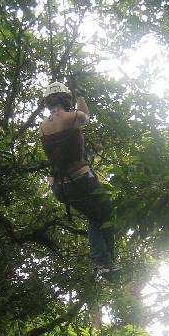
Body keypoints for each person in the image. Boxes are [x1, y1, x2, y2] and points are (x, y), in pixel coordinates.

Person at [40, 82, 119, 282]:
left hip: (59, 187)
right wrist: (81, 98)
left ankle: (106, 263)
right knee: (106, 214)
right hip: (80, 180)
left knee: (97, 216)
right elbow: (86, 117)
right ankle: (103, 262)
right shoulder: (72, 117)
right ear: (66, 99)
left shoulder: (43, 125)